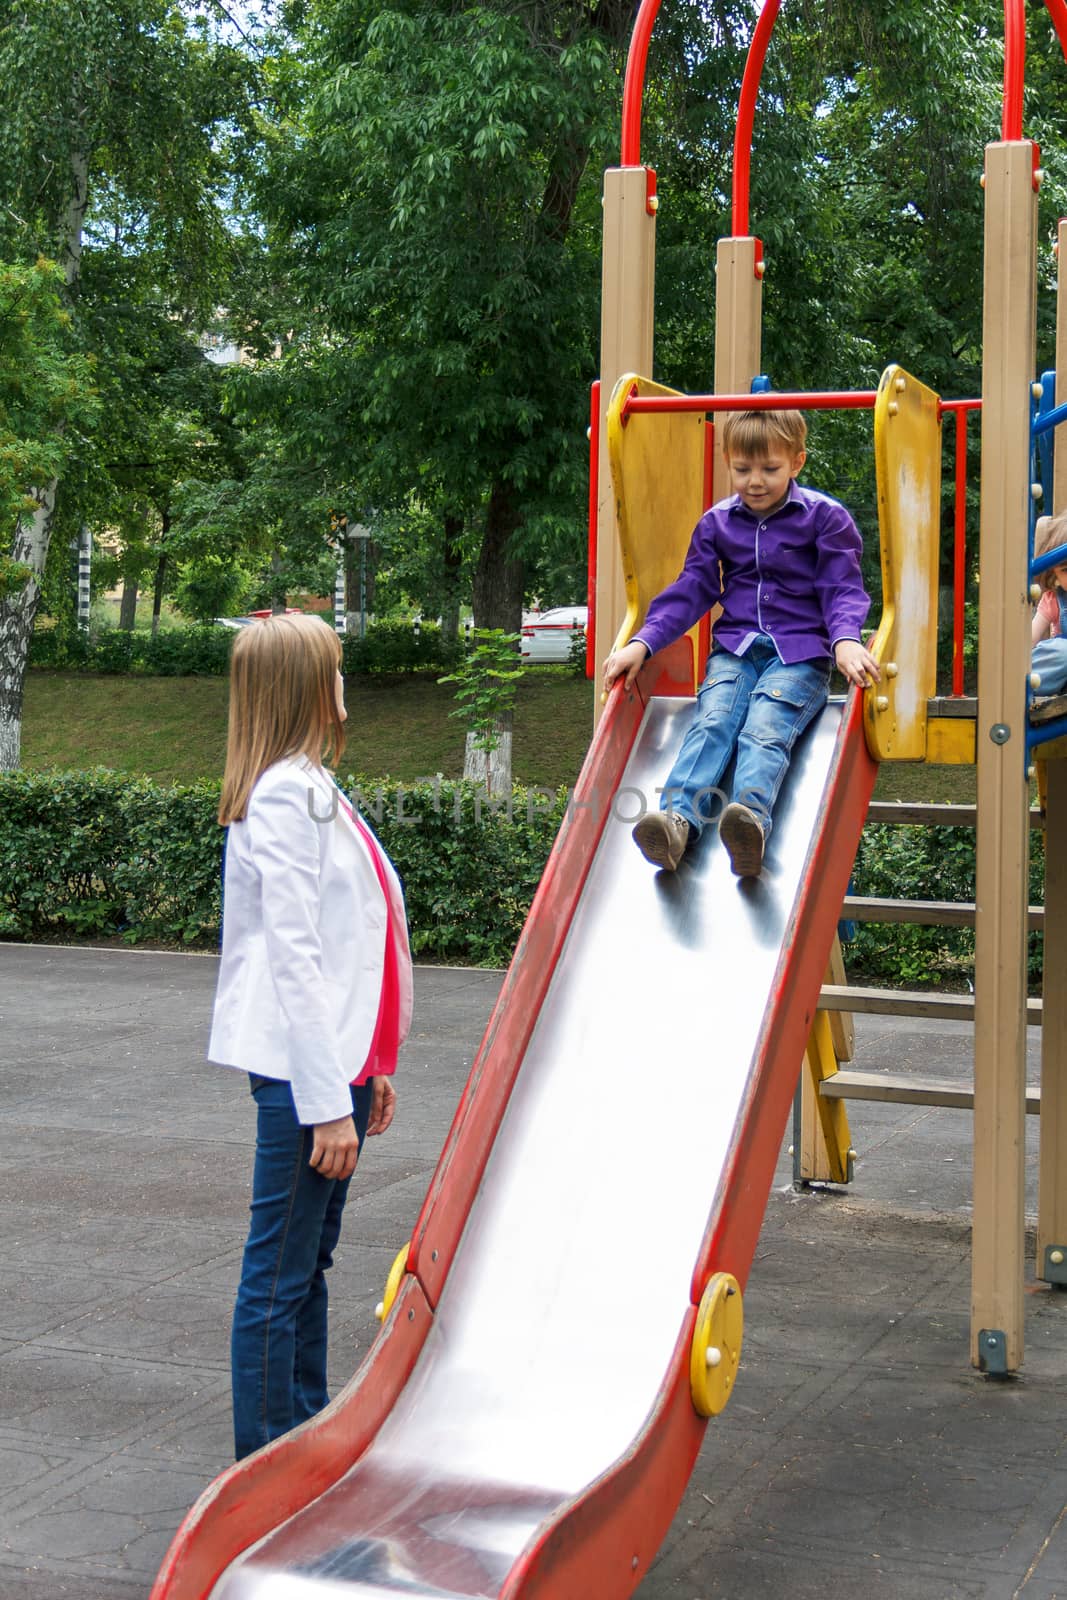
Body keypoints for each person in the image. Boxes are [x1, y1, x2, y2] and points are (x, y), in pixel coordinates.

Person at [208, 612, 413, 1461]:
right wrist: (329, 1102)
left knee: (307, 1267)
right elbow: (294, 955)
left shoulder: (305, 785)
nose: (343, 685)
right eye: (333, 670)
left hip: (332, 1067)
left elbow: (350, 943)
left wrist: (372, 1067)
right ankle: (263, 1461)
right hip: (303, 1078)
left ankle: (302, 1434)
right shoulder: (286, 795)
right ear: (305, 690)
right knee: (279, 1275)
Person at [603, 407, 879, 877]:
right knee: (712, 721)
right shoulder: (716, 523)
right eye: (742, 469)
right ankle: (676, 823)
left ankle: (749, 822)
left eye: (769, 469)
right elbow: (691, 589)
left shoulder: (824, 519)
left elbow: (841, 589)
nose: (754, 481)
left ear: (796, 462)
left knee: (765, 726)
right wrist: (642, 643)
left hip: (800, 656)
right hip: (735, 650)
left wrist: (846, 640)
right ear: (728, 462)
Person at [1031, 511, 1067, 697]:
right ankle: (1019, 686)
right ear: (1055, 575)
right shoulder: (1053, 600)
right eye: (1066, 570)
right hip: (1061, 674)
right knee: (1060, 651)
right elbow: (1030, 638)